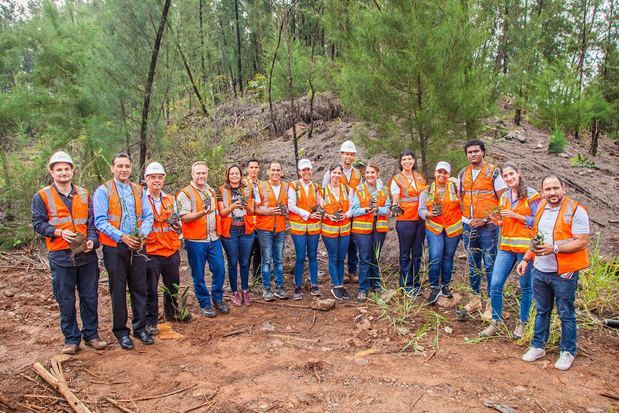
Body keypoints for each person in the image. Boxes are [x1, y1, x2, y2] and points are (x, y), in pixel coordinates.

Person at [32, 151, 107, 354]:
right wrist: (58, 232)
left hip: (86, 255)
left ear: (72, 170)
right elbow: (38, 224)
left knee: (90, 297)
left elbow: (92, 223)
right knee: (65, 299)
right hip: (60, 255)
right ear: (52, 171)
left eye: (67, 169)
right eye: (59, 170)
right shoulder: (43, 196)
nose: (63, 173)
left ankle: (91, 335)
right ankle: (71, 339)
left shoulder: (83, 194)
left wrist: (92, 240)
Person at [517, 175, 590, 371]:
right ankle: (538, 345)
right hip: (540, 269)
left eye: (555, 188)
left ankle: (567, 351)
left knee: (566, 312)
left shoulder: (575, 210)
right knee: (542, 310)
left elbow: (581, 241)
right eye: (548, 189)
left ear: (563, 188)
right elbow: (537, 237)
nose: (552, 192)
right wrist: (526, 258)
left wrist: (555, 249)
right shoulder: (541, 206)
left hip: (563, 272)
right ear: (542, 192)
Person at [94, 153, 154, 350]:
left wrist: (141, 236)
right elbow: (100, 221)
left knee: (139, 287)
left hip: (136, 245)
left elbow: (148, 215)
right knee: (118, 290)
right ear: (112, 168)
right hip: (115, 247)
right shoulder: (104, 191)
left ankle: (140, 327)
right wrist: (122, 237)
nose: (124, 169)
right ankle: (121, 331)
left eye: (127, 166)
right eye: (119, 166)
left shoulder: (138, 190)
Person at [480, 162, 540, 338]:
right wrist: (497, 221)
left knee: (525, 287)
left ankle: (522, 323)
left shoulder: (532, 195)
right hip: (506, 247)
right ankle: (495, 322)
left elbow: (537, 221)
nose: (508, 178)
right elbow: (506, 222)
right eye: (505, 176)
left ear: (519, 173)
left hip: (525, 249)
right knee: (495, 284)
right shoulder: (505, 196)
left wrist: (516, 216)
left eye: (511, 174)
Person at [458, 139, 507, 316]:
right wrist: (466, 219)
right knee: (473, 264)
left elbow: (503, 200)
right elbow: (460, 197)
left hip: (488, 227)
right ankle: (475, 299)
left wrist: (485, 219)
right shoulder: (463, 173)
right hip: (468, 225)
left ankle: (492, 304)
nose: (473, 154)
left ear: (483, 152)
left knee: (490, 264)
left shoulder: (494, 172)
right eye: (469, 152)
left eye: (476, 151)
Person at [177, 161, 229, 318]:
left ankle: (218, 299)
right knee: (198, 274)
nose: (201, 176)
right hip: (195, 240)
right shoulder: (185, 194)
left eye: (203, 173)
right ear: (192, 174)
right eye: (198, 173)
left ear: (207, 174)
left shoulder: (211, 191)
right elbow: (184, 218)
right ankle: (205, 303)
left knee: (219, 269)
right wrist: (202, 213)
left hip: (213, 238)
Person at [143, 162, 188, 335]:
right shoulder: (141, 199)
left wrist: (178, 227)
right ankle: (151, 320)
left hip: (170, 249)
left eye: (160, 177)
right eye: (153, 177)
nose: (157, 180)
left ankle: (172, 312)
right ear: (147, 179)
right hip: (151, 251)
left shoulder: (170, 199)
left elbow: (177, 223)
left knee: (173, 285)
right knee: (150, 288)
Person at [419, 161, 462, 305]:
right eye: (439, 172)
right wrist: (428, 214)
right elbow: (421, 209)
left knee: (448, 257)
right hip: (434, 227)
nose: (442, 175)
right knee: (435, 256)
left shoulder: (455, 188)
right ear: (435, 173)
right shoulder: (428, 190)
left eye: (445, 172)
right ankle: (434, 287)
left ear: (449, 175)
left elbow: (463, 204)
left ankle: (445, 285)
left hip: (453, 227)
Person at [323, 140, 362, 284]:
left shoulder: (357, 173)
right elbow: (323, 192)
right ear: (341, 154)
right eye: (346, 154)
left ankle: (352, 270)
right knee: (339, 244)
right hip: (334, 216)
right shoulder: (334, 171)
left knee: (353, 242)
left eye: (352, 154)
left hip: (352, 211)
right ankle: (342, 272)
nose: (349, 157)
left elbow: (360, 192)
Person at [350, 163, 390, 301]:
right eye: (367, 173)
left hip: (379, 227)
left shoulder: (384, 190)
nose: (369, 175)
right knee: (365, 256)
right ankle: (363, 288)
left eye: (372, 172)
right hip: (362, 228)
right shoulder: (359, 189)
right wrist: (367, 209)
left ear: (377, 174)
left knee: (375, 256)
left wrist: (378, 209)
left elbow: (388, 209)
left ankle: (376, 284)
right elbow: (354, 210)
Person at [391, 150, 427, 297]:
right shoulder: (397, 179)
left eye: (410, 159)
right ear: (401, 162)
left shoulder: (419, 177)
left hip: (420, 220)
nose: (407, 161)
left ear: (413, 161)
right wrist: (394, 205)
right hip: (405, 220)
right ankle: (405, 284)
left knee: (417, 252)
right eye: (404, 159)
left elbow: (425, 195)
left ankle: (416, 282)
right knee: (406, 252)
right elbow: (395, 197)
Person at [218, 165, 256, 306]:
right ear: (228, 176)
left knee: (245, 262)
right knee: (233, 262)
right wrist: (231, 207)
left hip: (246, 230)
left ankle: (245, 290)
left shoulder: (247, 189)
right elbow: (222, 213)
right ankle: (234, 292)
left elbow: (252, 211)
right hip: (230, 231)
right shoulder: (222, 190)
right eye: (231, 173)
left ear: (241, 175)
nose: (234, 176)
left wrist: (245, 205)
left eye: (237, 173)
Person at [288, 159, 323, 300]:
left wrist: (321, 211)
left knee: (313, 256)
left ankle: (314, 285)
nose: (306, 172)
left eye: (308, 169)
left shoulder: (316, 187)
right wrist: (308, 214)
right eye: (303, 170)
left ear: (311, 171)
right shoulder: (293, 186)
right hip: (299, 228)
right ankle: (297, 286)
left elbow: (321, 204)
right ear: (299, 172)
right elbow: (291, 205)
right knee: (301, 257)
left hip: (314, 228)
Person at [255, 162, 289, 301]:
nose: (275, 173)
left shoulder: (287, 187)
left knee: (279, 260)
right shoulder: (260, 187)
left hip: (280, 228)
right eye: (273, 170)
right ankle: (266, 289)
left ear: (282, 172)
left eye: (278, 170)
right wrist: (266, 211)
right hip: (265, 228)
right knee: (267, 259)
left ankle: (279, 288)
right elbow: (254, 209)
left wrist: (286, 212)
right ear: (268, 171)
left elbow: (290, 206)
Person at [321, 164, 352, 300]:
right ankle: (335, 285)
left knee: (341, 258)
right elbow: (320, 210)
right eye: (334, 173)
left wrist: (346, 214)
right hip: (329, 230)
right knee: (333, 257)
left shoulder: (346, 189)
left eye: (339, 173)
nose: (336, 176)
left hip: (344, 229)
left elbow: (352, 207)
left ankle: (341, 285)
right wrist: (327, 215)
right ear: (329, 173)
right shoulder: (322, 191)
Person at [245, 159, 262, 281]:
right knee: (247, 253)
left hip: (260, 223)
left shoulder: (262, 184)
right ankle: (245, 281)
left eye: (256, 167)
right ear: (247, 169)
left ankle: (257, 278)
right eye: (251, 167)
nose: (254, 170)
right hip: (248, 223)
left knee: (259, 252)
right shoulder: (242, 183)